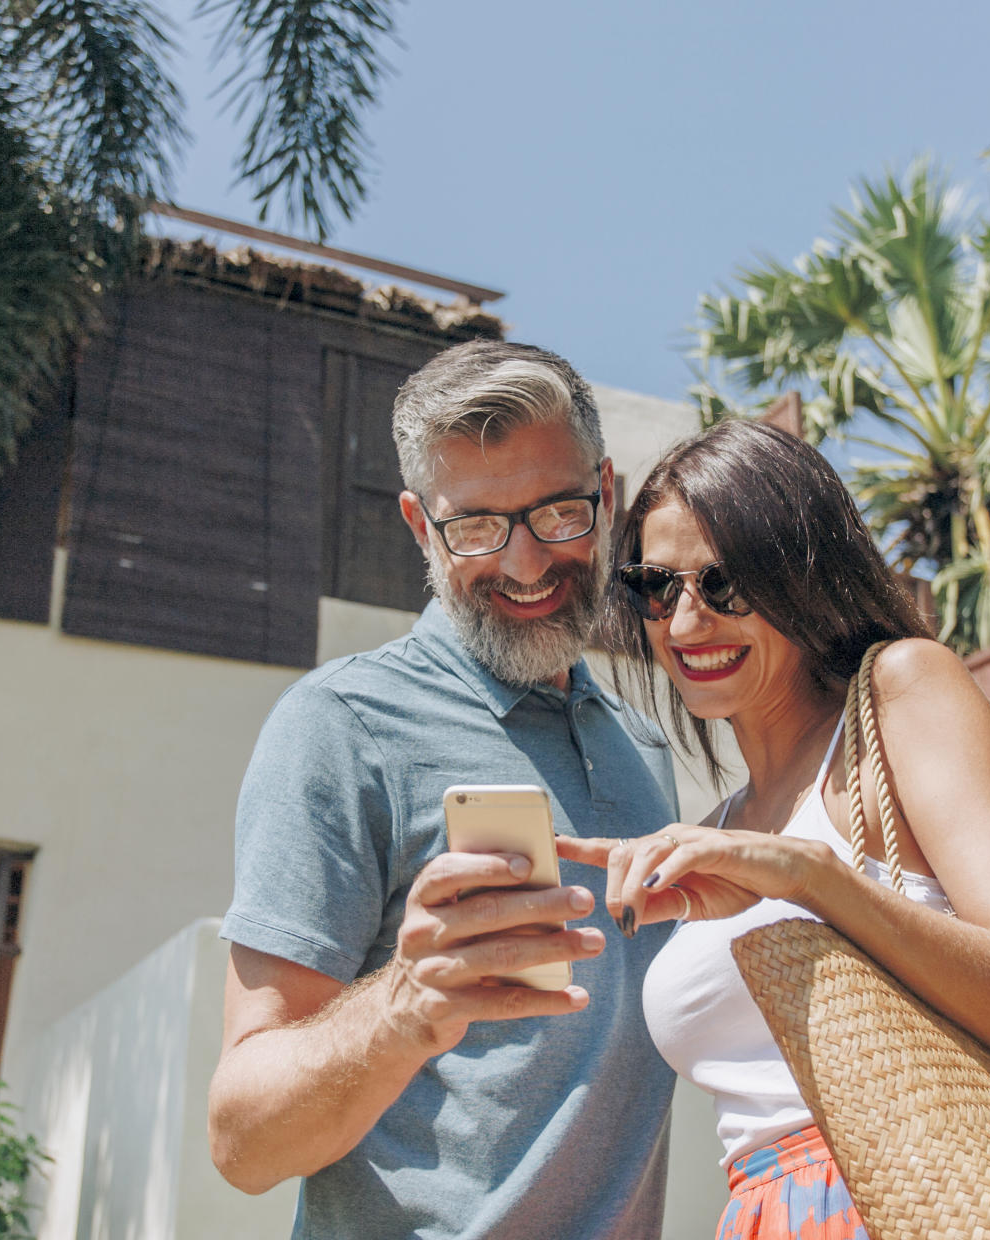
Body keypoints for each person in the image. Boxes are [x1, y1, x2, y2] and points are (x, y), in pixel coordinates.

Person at [558, 420, 990, 1239]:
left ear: (804, 575)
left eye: (726, 585)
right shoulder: (721, 831)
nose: (685, 625)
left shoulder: (902, 691)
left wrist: (818, 877)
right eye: (656, 586)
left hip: (930, 1198)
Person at [208, 340, 682, 1239]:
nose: (528, 563)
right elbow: (242, 1144)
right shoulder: (340, 725)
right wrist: (407, 1005)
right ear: (421, 528)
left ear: (608, 496)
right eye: (475, 527)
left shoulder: (645, 749)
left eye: (559, 513)